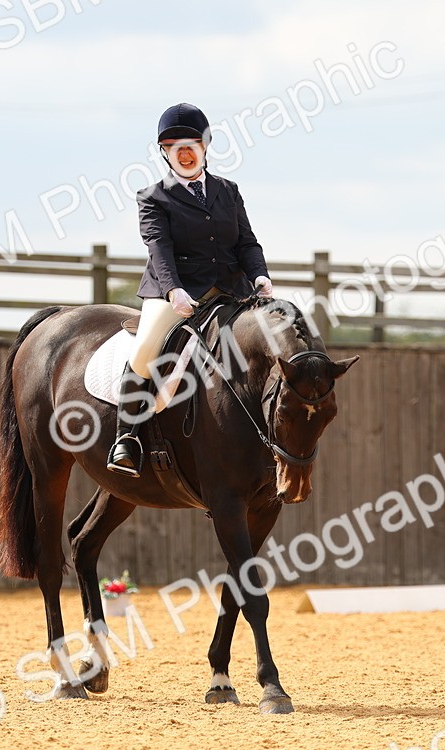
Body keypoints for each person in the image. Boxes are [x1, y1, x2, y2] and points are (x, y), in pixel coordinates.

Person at [107, 103, 274, 477]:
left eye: (191, 144)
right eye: (174, 145)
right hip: (177, 292)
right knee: (146, 348)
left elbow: (246, 242)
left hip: (233, 288)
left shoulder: (228, 191)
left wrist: (260, 275)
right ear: (164, 151)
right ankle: (127, 438)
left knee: (272, 339)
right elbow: (159, 249)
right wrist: (173, 290)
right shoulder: (153, 197)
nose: (183, 151)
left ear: (205, 146)